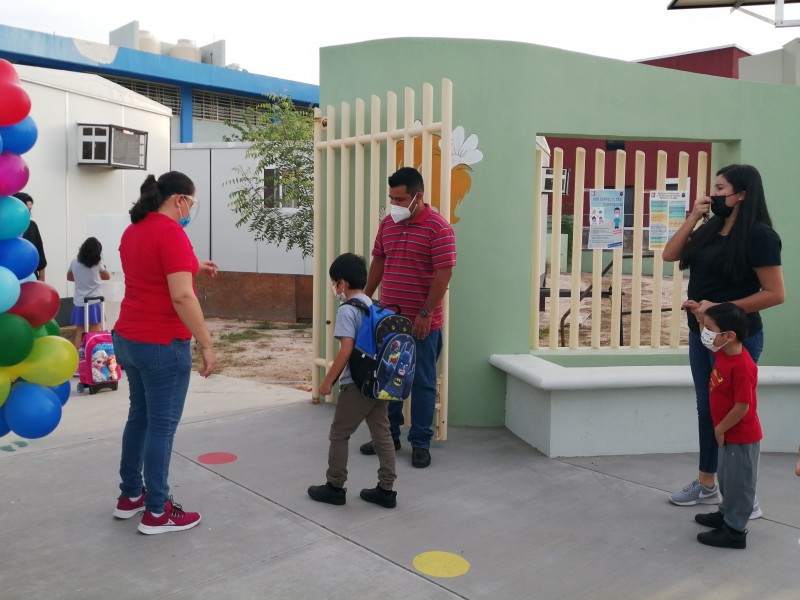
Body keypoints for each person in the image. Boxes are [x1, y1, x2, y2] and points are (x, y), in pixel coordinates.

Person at [663, 164, 784, 511]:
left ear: (742, 194)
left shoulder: (759, 236)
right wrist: (693, 217)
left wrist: (720, 307)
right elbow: (671, 254)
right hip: (702, 335)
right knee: (708, 409)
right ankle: (706, 484)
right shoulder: (711, 227)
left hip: (734, 340)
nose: (713, 195)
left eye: (720, 189)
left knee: (735, 413)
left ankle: (745, 497)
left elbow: (775, 293)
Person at [112, 171, 218, 535]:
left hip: (128, 337)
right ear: (179, 200)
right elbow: (181, 295)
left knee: (138, 418)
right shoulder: (172, 233)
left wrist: (195, 265)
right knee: (161, 427)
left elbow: (153, 271)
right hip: (161, 343)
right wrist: (205, 342)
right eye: (192, 201)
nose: (192, 208)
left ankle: (130, 497)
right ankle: (157, 511)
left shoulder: (135, 230)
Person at [358, 167, 456, 468]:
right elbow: (379, 260)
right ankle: (389, 436)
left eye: (400, 199)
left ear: (418, 197)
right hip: (390, 321)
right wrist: (364, 299)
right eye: (392, 198)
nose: (395, 205)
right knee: (389, 380)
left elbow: (444, 273)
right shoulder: (388, 223)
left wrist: (425, 313)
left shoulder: (439, 228)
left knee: (423, 383)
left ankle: (421, 442)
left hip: (422, 323)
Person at [307, 253, 398, 508]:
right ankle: (386, 489)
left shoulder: (348, 309)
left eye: (335, 282)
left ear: (343, 283)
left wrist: (328, 381)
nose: (335, 287)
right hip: (379, 382)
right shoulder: (374, 305)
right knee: (382, 433)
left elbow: (346, 348)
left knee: (339, 434)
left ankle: (334, 486)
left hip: (357, 384)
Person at [694, 303, 760, 549]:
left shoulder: (743, 366)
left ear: (729, 335)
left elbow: (743, 406)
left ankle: (735, 531)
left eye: (711, 329)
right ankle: (726, 514)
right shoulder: (724, 352)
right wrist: (700, 318)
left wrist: (720, 429)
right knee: (727, 478)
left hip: (740, 436)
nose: (707, 334)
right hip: (726, 433)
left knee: (740, 483)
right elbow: (707, 341)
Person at [67, 237, 111, 350]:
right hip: (95, 301)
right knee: (94, 333)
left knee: (79, 333)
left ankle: (78, 360)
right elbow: (107, 276)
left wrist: (82, 278)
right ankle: (92, 359)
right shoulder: (97, 263)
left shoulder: (74, 262)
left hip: (79, 301)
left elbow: (70, 277)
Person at [13, 192, 47, 281]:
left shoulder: (32, 225)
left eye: (30, 209)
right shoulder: (6, 226)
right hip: (10, 274)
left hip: (30, 274)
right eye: (26, 209)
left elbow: (39, 249)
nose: (28, 212)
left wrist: (42, 275)